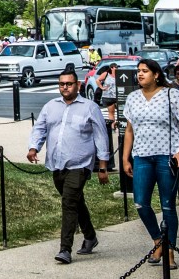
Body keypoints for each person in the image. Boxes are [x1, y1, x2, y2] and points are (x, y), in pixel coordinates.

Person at [27, 66, 111, 264]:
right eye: (62, 84)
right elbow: (40, 128)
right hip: (57, 165)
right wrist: (33, 148)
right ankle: (90, 236)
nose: (65, 87)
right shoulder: (50, 106)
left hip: (80, 165)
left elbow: (101, 137)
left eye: (69, 84)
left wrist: (102, 167)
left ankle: (65, 249)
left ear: (78, 85)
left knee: (68, 203)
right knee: (75, 202)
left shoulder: (90, 107)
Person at [121, 58, 179, 270]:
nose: (140, 74)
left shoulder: (172, 95)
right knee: (140, 203)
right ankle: (158, 241)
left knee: (167, 205)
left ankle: (169, 251)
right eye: (138, 71)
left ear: (156, 75)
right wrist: (125, 158)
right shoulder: (133, 97)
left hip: (166, 157)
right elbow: (129, 130)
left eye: (145, 71)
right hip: (142, 157)